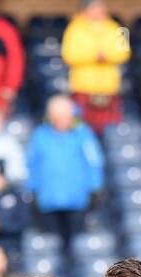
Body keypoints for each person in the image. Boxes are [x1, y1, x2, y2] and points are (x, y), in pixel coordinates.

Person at [26, 95, 104, 249]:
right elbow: (32, 164)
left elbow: (94, 162)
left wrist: (95, 188)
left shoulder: (83, 134)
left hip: (77, 200)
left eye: (66, 116)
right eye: (58, 117)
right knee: (51, 247)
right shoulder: (40, 135)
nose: (63, 121)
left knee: (76, 245)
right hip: (48, 201)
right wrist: (32, 189)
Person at [61, 0, 131, 133]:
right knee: (82, 127)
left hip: (109, 87)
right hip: (84, 86)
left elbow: (125, 53)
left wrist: (107, 56)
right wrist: (93, 56)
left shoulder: (118, 27)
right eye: (96, 8)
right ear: (86, 10)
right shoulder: (73, 28)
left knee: (110, 127)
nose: (99, 11)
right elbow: (69, 54)